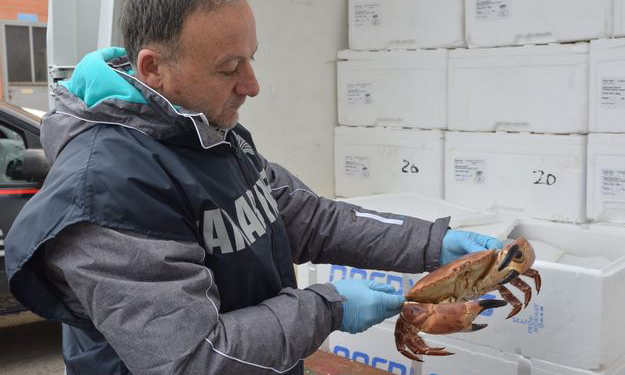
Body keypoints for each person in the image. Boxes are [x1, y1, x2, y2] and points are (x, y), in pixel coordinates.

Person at [4, 1, 503, 374]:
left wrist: (432, 243)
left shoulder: (206, 131)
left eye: (251, 59)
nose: (252, 84)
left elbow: (305, 217)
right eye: (228, 68)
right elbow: (193, 357)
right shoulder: (106, 192)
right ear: (154, 68)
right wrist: (328, 308)